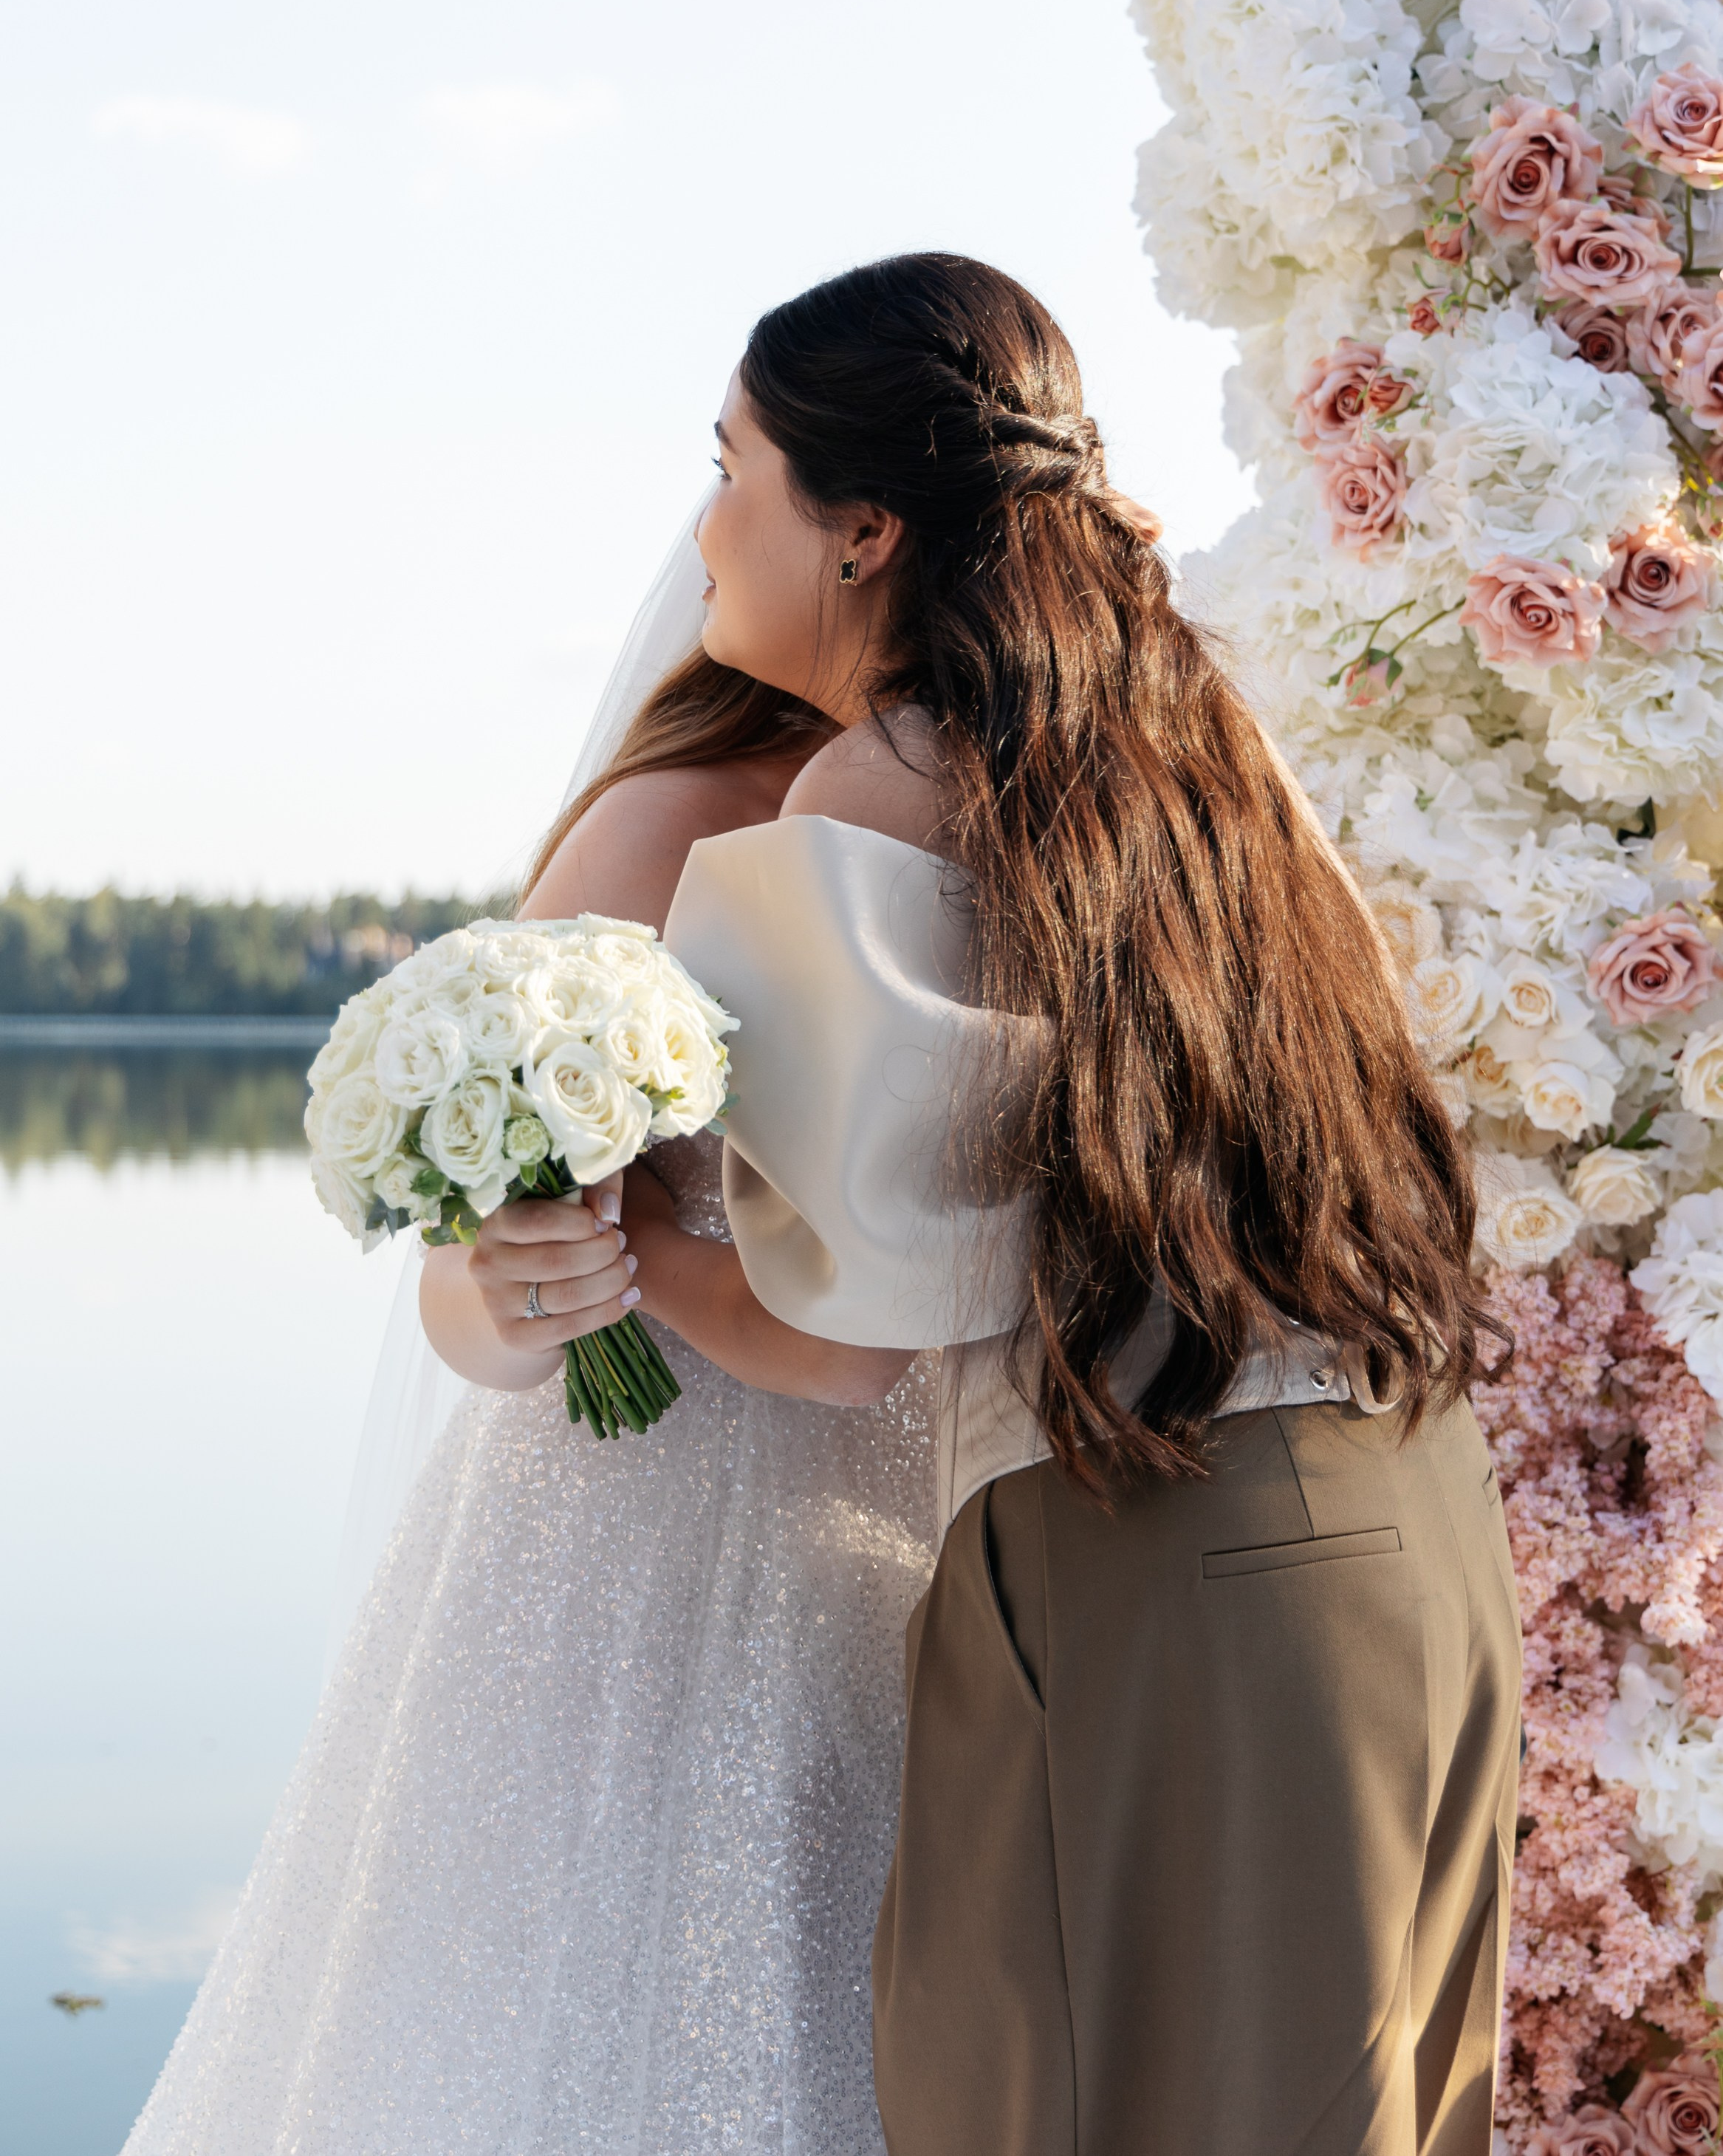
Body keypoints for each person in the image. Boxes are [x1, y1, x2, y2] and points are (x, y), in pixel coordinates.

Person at [465, 249, 1516, 2156]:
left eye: (729, 464)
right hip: (1396, 1514)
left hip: (1161, 1549)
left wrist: (612, 1225)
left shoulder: (878, 784)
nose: (701, 525)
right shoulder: (1182, 748)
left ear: (858, 527)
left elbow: (836, 1335)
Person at [121, 532, 938, 2156]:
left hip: (892, 1514)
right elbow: (468, 1276)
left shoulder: (998, 792)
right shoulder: (664, 818)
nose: (710, 531)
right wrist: (516, 1283)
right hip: (615, 1545)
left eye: (736, 479)